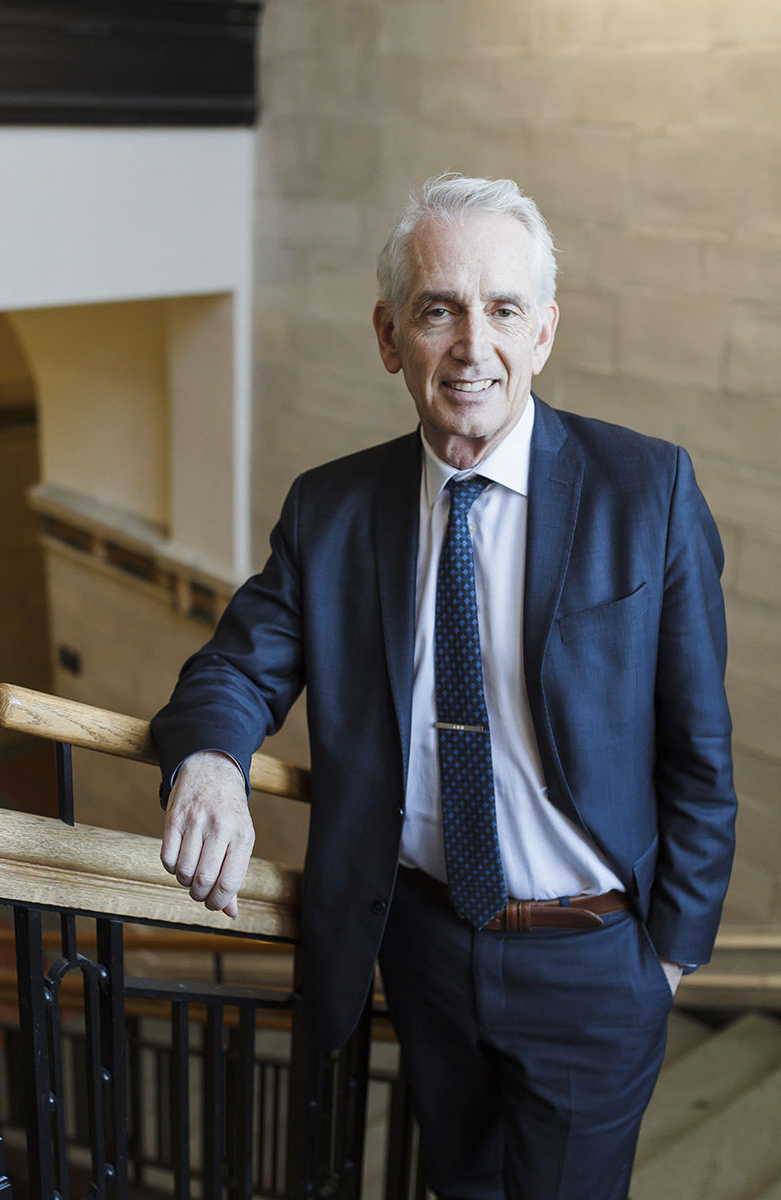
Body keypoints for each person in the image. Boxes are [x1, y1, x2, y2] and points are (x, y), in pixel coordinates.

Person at [151, 174, 737, 1200]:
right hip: (420, 945)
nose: (472, 346)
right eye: (438, 310)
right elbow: (237, 665)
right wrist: (208, 762)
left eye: (502, 309)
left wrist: (666, 957)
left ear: (542, 333)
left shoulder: (646, 491)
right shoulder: (330, 511)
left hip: (593, 954)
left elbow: (697, 748)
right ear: (389, 336)